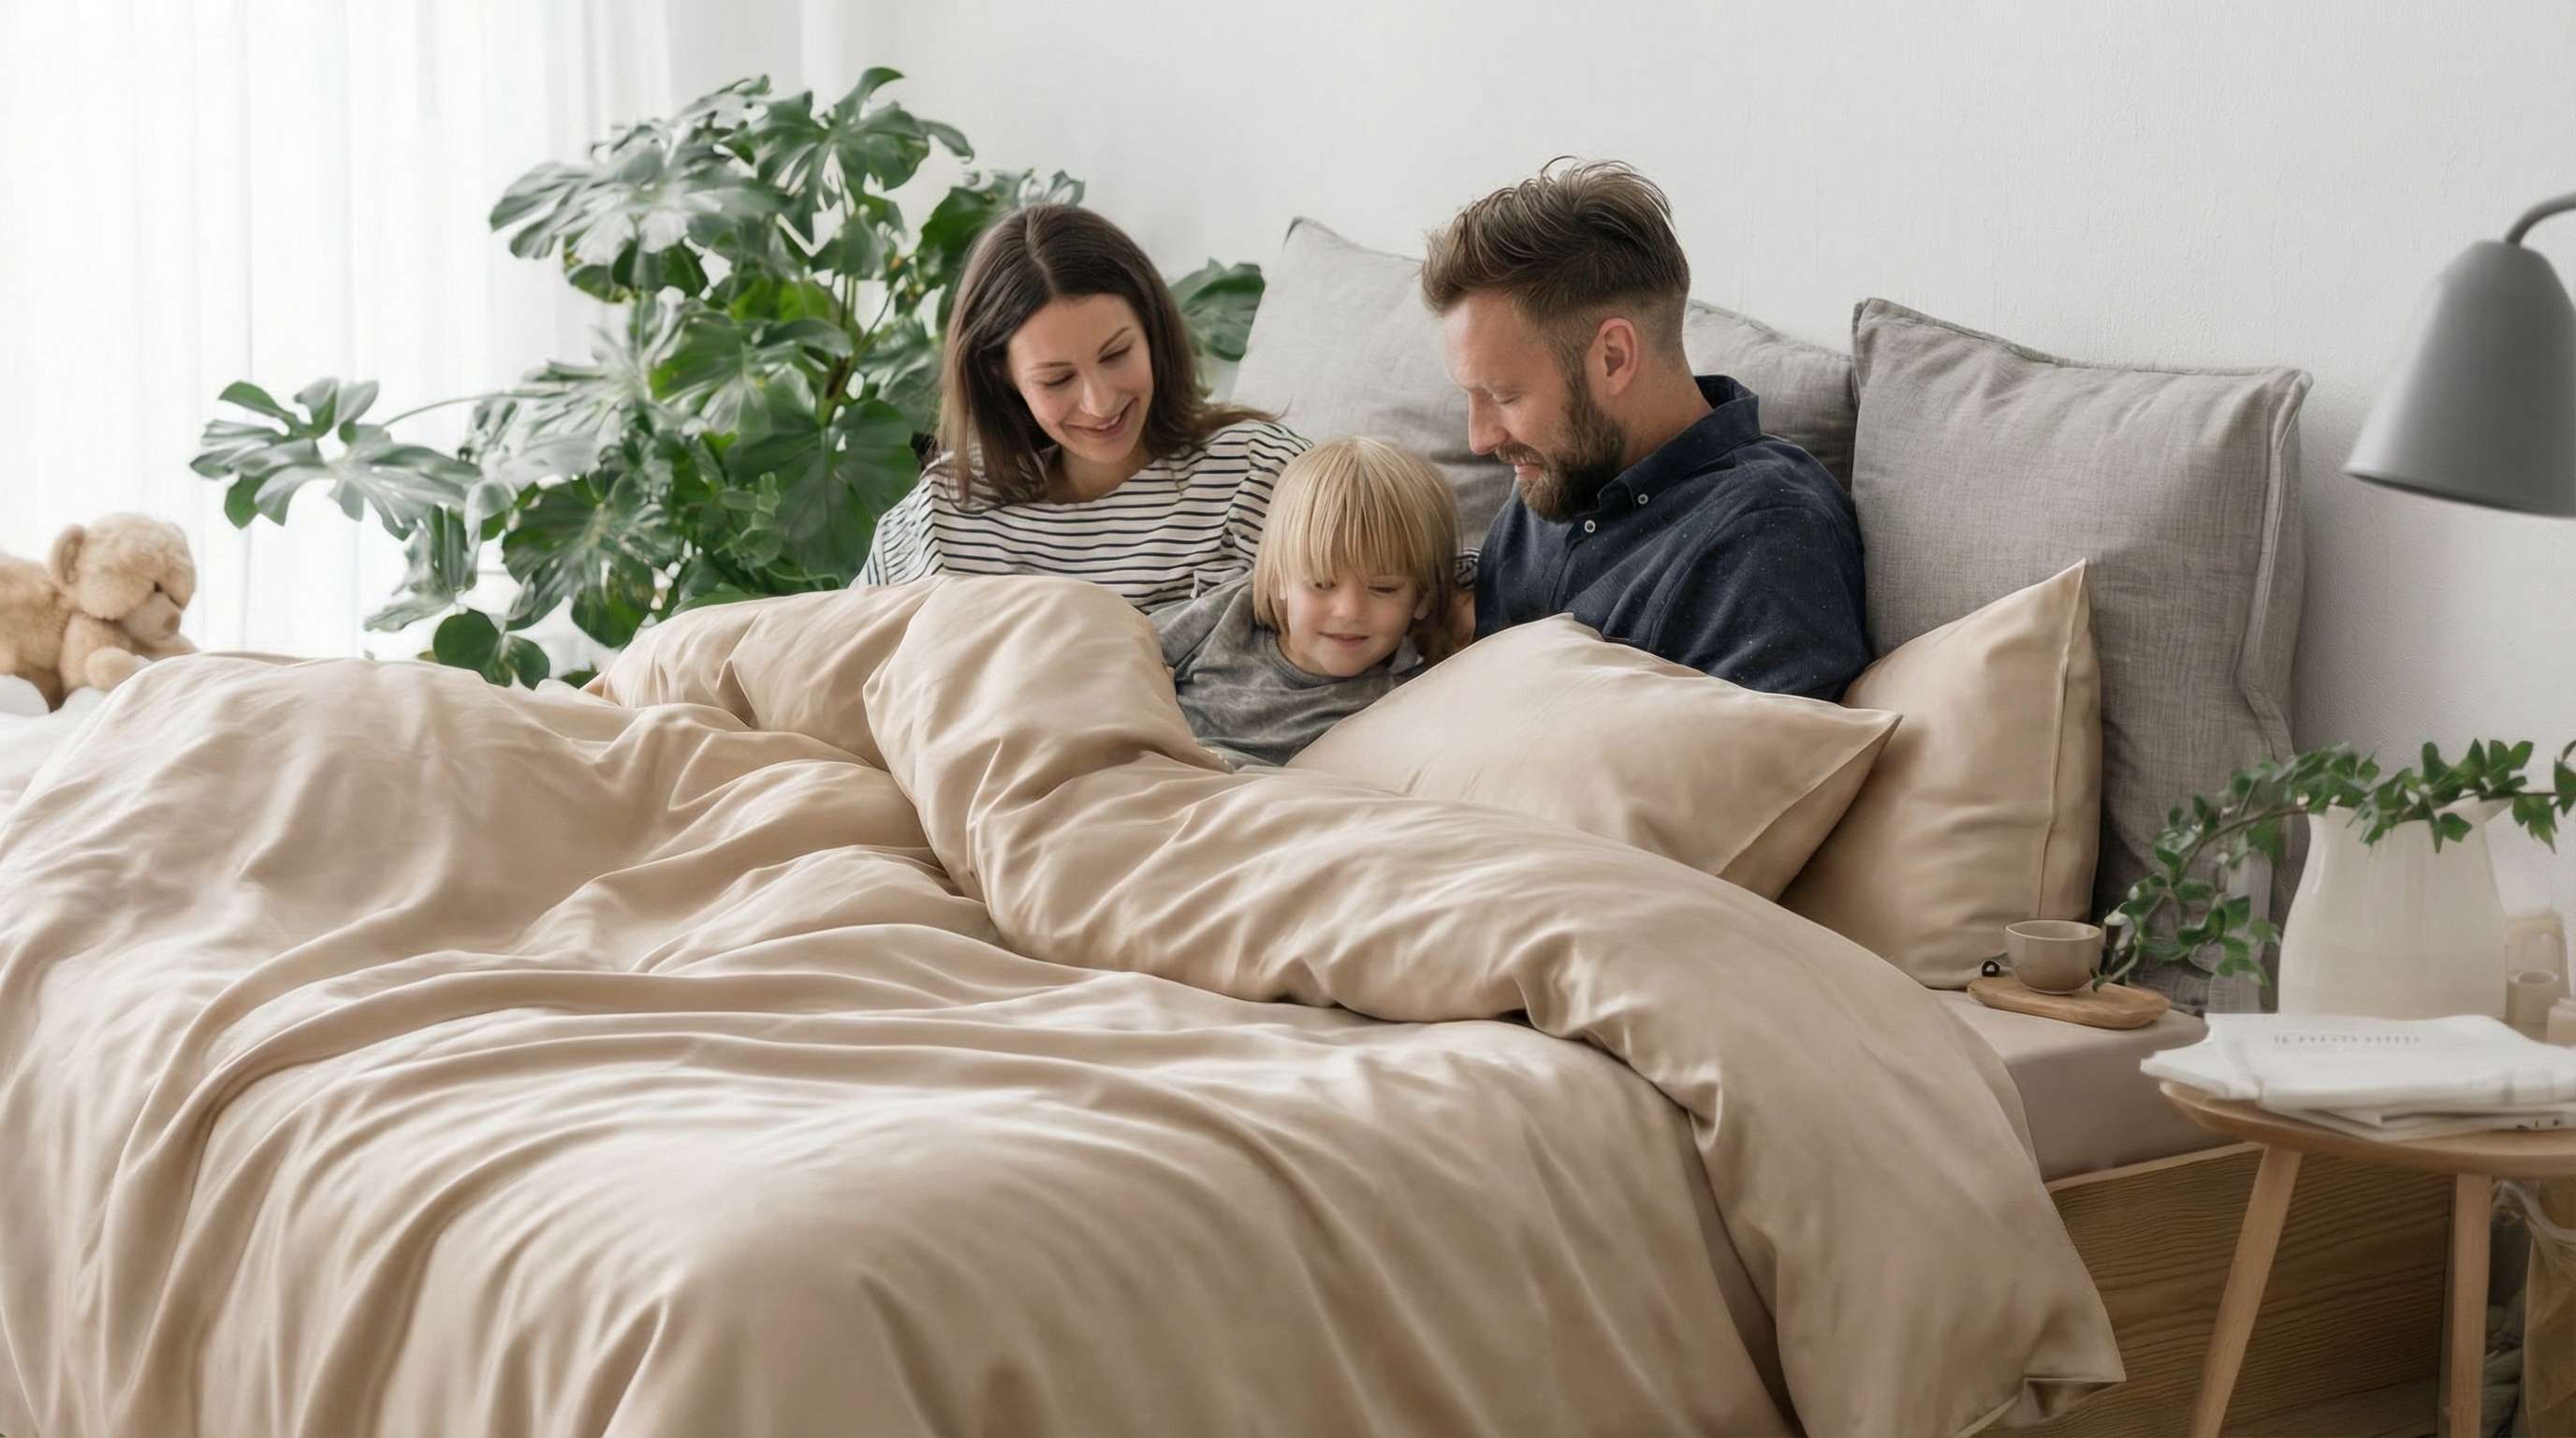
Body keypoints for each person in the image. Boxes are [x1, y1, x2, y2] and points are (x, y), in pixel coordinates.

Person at [1422, 160, 1870, 701]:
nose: (1479, 438)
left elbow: (1768, 774)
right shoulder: (1547, 483)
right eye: (1469, 397)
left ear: (1613, 357)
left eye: (1504, 396)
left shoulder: (1766, 538)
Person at [857, 204, 1306, 610]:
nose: (1100, 402)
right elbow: (830, 675)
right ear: (1001, 374)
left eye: (1115, 355)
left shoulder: (1257, 474)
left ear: (1150, 329)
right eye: (1057, 379)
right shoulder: (941, 514)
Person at [1152, 436, 1458, 770]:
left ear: (1422, 598)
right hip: (1158, 773)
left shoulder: (1409, 697)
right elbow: (1124, 651)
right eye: (1321, 583)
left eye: (1383, 588)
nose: (1349, 611)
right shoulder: (1230, 612)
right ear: (1279, 578)